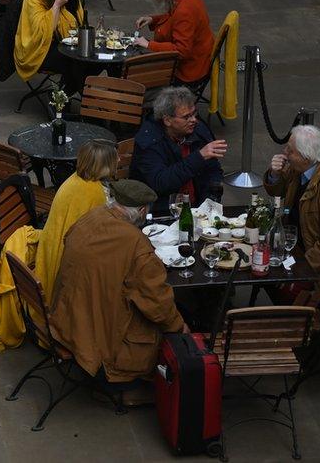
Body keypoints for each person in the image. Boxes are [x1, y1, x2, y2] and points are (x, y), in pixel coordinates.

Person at [50, 180, 188, 389]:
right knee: (173, 322)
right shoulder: (135, 244)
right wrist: (180, 328)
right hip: (101, 345)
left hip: (67, 321)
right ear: (142, 210)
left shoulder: (91, 217)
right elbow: (158, 305)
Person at [264, 125, 320, 294]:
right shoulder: (304, 166)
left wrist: (302, 267)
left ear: (306, 157)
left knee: (272, 282)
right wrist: (275, 174)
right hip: (293, 244)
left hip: (317, 262)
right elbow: (277, 191)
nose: (285, 153)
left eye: (290, 151)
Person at [33, 140, 117, 303]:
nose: (119, 161)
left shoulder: (76, 179)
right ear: (103, 165)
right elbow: (100, 233)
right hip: (67, 266)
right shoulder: (94, 192)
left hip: (51, 248)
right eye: (114, 159)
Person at [130, 86, 225, 214]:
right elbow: (160, 183)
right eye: (186, 117)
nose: (193, 120)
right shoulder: (149, 142)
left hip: (199, 209)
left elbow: (213, 170)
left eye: (194, 113)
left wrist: (209, 202)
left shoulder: (198, 130)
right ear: (167, 120)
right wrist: (198, 157)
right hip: (162, 211)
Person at [14, 0, 93, 96]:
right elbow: (42, 31)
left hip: (66, 43)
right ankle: (82, 99)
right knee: (78, 63)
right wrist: (56, 6)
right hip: (40, 47)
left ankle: (65, 96)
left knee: (95, 60)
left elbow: (79, 22)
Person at [133, 0, 214, 85]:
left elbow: (181, 51)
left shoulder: (184, 11)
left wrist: (148, 44)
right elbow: (173, 18)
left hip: (188, 70)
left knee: (136, 73)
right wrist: (153, 20)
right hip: (198, 58)